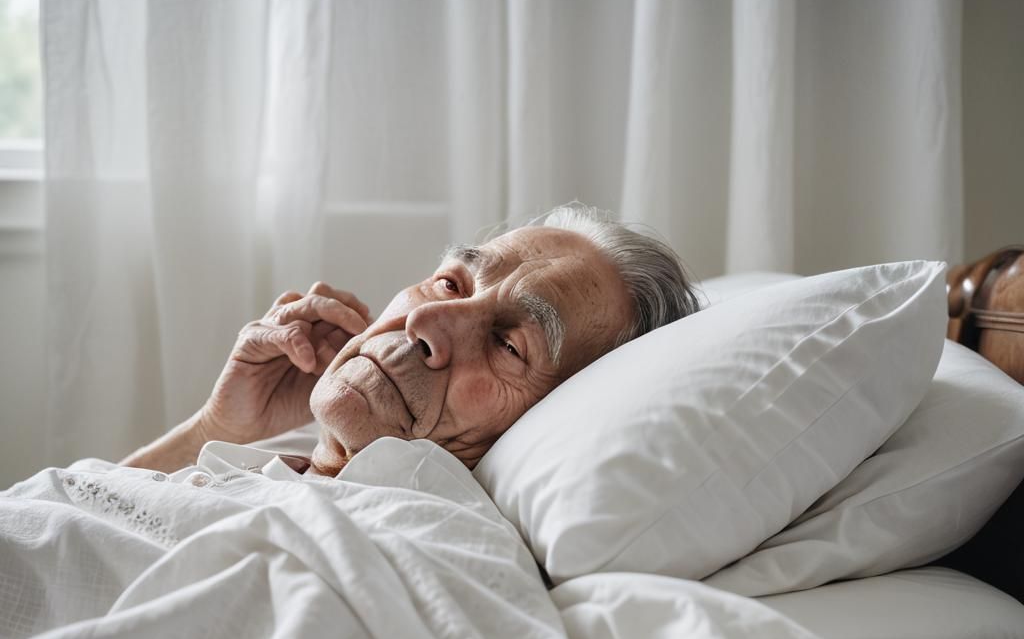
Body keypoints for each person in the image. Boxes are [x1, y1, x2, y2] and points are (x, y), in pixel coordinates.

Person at [121, 202, 701, 479]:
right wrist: (215, 429)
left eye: (508, 345)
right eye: (450, 283)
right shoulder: (274, 460)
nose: (428, 322)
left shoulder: (413, 557)